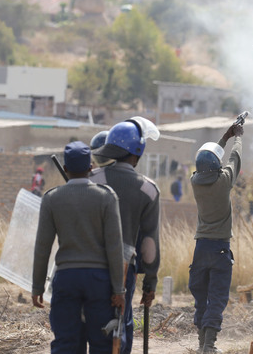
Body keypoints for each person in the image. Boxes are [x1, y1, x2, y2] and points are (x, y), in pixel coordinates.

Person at [31, 141, 125, 353]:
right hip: (98, 281)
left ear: (65, 169)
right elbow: (114, 246)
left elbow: (42, 247)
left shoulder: (51, 199)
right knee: (101, 343)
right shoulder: (106, 196)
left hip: (66, 279)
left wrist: (37, 287)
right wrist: (119, 289)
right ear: (91, 167)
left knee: (66, 343)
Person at [92, 117, 161, 354]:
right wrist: (150, 282)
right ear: (137, 152)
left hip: (92, 265)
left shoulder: (94, 179)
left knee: (94, 320)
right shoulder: (148, 189)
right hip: (124, 269)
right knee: (123, 320)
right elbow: (149, 243)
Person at [189, 122, 244, 353]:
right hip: (221, 249)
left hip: (201, 248)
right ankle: (209, 345)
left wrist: (223, 136)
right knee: (217, 298)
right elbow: (235, 159)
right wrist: (237, 137)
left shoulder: (194, 182)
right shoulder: (223, 181)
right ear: (216, 166)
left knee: (201, 297)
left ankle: (202, 342)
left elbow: (209, 161)